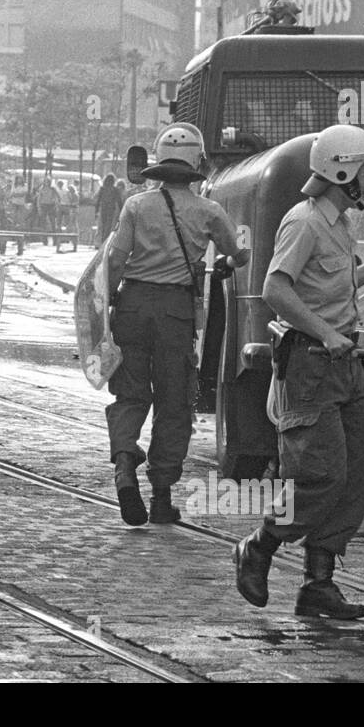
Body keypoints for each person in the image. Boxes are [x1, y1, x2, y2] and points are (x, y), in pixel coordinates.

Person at [233, 124, 364, 619]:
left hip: (344, 366)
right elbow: (276, 289)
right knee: (319, 474)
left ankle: (318, 585)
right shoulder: (304, 222)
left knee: (355, 472)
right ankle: (260, 546)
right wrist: (326, 334)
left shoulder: (339, 224)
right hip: (311, 365)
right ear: (343, 171)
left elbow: (324, 289)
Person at [105, 125, 250, 526]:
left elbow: (115, 261)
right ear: (196, 164)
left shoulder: (135, 206)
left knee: (129, 396)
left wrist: (111, 302)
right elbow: (238, 256)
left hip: (131, 306)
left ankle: (123, 468)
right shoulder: (209, 211)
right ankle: (162, 497)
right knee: (173, 403)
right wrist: (235, 256)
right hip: (175, 313)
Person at [95, 174, 124, 245]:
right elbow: (119, 201)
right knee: (108, 225)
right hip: (111, 209)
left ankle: (102, 241)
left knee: (103, 225)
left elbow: (98, 200)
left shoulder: (102, 189)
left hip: (103, 208)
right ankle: (105, 241)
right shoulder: (115, 190)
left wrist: (96, 210)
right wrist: (122, 210)